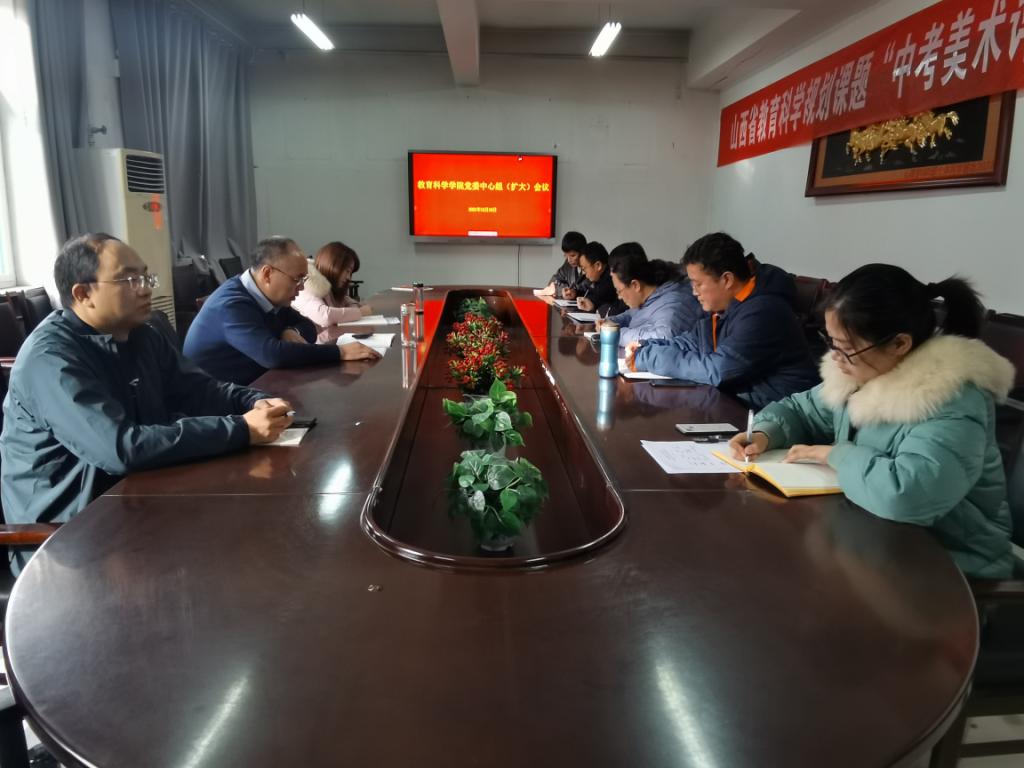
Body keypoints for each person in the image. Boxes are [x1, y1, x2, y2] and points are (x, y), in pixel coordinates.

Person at [0, 234, 293, 565]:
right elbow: (120, 448)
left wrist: (256, 402)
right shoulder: (51, 359)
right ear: (83, 294)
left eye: (146, 277)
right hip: (67, 538)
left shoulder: (142, 334)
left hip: (137, 500)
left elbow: (200, 390)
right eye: (129, 280)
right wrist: (242, 429)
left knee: (256, 530)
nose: (145, 289)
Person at [729, 264, 1015, 579]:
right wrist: (764, 434)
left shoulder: (950, 398)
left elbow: (907, 496)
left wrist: (835, 455)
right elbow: (801, 409)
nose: (836, 358)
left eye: (847, 348)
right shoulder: (862, 372)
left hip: (950, 564)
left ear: (899, 344)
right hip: (873, 542)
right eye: (831, 342)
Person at [627, 233, 818, 408]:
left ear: (727, 279)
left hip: (778, 417)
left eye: (698, 284)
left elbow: (718, 370)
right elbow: (691, 342)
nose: (694, 292)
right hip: (738, 407)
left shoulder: (763, 311)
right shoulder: (723, 308)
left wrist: (648, 357)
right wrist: (645, 346)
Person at [184, 236, 380, 385]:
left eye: (304, 280)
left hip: (257, 385)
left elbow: (307, 326)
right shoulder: (231, 305)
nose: (301, 288)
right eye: (297, 279)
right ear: (267, 274)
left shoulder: (270, 297)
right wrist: (340, 352)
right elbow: (272, 355)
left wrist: (290, 330)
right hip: (217, 404)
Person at [596, 242, 699, 346]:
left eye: (619, 290)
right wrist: (610, 322)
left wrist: (614, 334)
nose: (619, 297)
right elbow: (633, 314)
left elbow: (664, 337)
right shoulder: (650, 294)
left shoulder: (673, 304)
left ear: (635, 285)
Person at [293, 241, 373, 328]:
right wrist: (360, 312)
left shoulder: (327, 285)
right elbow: (324, 317)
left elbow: (348, 301)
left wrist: (354, 309)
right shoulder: (307, 282)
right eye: (347, 271)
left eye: (350, 273)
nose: (348, 277)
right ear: (334, 265)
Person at [575, 241, 626, 317]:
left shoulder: (611, 280)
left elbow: (615, 310)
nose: (584, 274)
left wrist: (594, 305)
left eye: (584, 269)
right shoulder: (598, 277)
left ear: (598, 265)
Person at [539, 231, 588, 300]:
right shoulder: (568, 264)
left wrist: (575, 293)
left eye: (572, 255)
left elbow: (592, 292)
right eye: (566, 255)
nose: (569, 260)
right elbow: (553, 282)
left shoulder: (591, 268)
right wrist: (563, 290)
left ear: (583, 252)